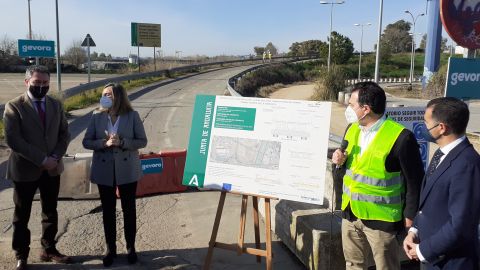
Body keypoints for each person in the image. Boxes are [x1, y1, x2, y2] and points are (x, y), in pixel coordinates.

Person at [332, 82, 424, 270]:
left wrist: (409, 219)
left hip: (382, 222)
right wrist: (339, 160)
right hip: (351, 214)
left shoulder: (401, 137)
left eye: (351, 104)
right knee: (353, 265)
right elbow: (350, 167)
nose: (348, 108)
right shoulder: (352, 128)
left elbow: (415, 182)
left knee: (386, 267)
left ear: (365, 109)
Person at [3, 65, 71, 270]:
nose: (41, 86)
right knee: (21, 214)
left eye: (45, 83)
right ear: (27, 82)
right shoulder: (14, 106)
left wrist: (55, 157)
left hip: (52, 167)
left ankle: (49, 248)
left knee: (50, 211)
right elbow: (14, 139)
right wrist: (42, 159)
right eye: (36, 82)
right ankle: (21, 254)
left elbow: (64, 134)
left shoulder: (55, 105)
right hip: (25, 169)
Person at [403, 97, 480, 269]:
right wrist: (414, 231)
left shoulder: (467, 165)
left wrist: (423, 250)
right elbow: (429, 203)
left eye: (425, 122)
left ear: (441, 128)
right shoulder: (441, 154)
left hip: (451, 262)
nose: (422, 126)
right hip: (432, 258)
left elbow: (461, 225)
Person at [82, 83, 147, 267]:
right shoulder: (96, 116)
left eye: (108, 94)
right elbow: (86, 142)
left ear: (118, 96)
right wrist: (104, 143)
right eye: (103, 94)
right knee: (108, 211)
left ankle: (131, 247)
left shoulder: (132, 116)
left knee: (129, 210)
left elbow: (142, 141)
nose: (105, 97)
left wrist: (123, 142)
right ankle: (111, 249)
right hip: (104, 170)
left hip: (127, 169)